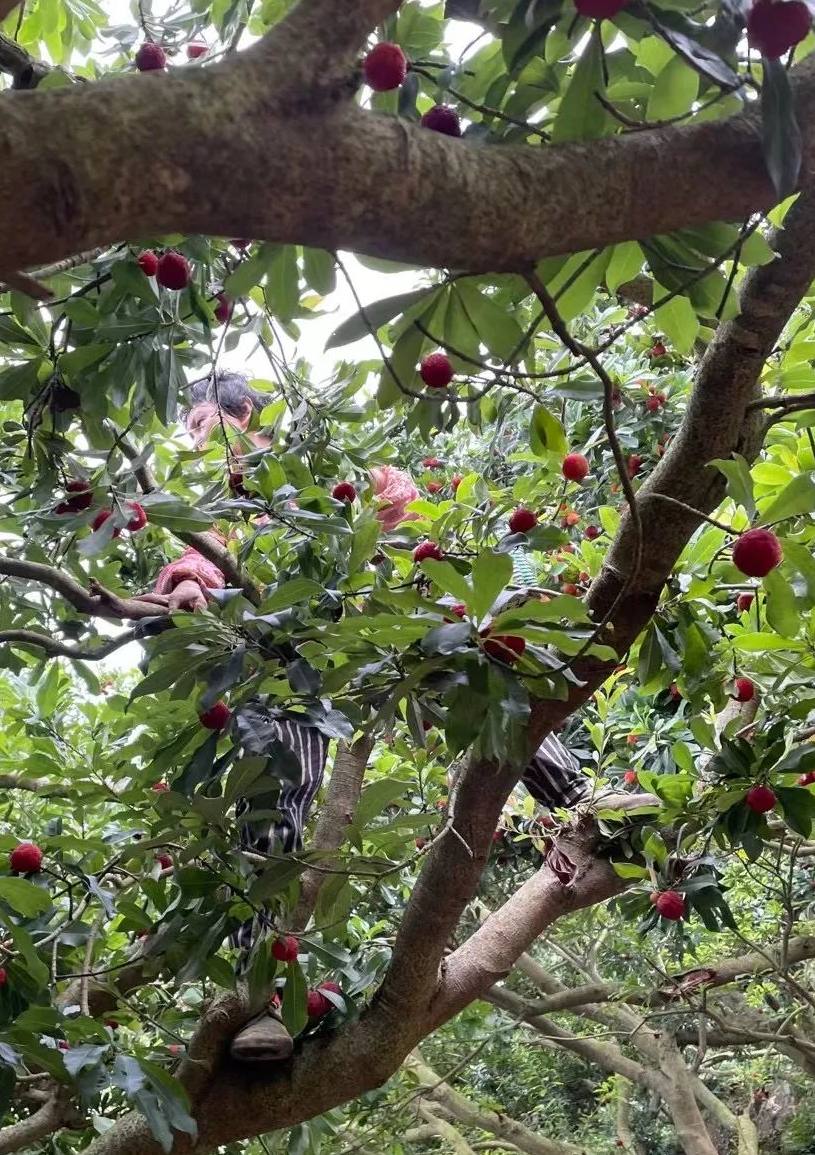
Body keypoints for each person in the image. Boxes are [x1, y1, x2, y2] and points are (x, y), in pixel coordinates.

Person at [137, 371, 598, 1062]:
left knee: (479, 676)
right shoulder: (219, 507)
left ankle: (589, 812)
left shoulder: (325, 456)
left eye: (200, 423)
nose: (193, 440)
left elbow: (402, 504)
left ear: (242, 412)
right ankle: (263, 999)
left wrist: (376, 543)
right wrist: (184, 588)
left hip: (378, 631)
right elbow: (197, 565)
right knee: (271, 800)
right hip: (286, 654)